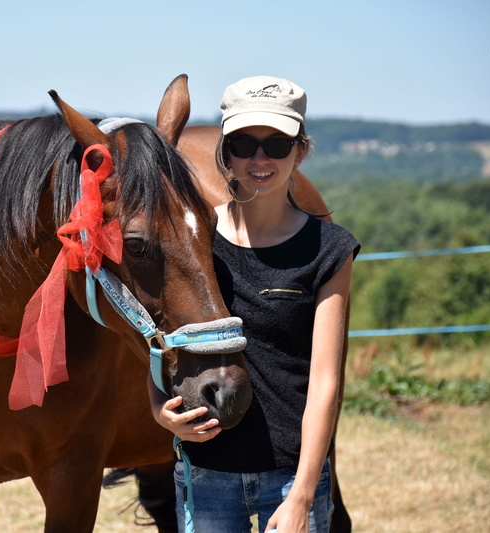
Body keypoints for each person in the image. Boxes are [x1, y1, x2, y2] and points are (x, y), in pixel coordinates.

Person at [149, 76, 360, 533]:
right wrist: (156, 407)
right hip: (204, 471)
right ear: (225, 153)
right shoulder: (194, 237)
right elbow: (154, 330)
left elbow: (325, 379)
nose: (259, 159)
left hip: (290, 475)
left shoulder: (330, 249)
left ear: (299, 153)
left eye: (277, 144)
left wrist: (304, 493)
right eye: (243, 144)